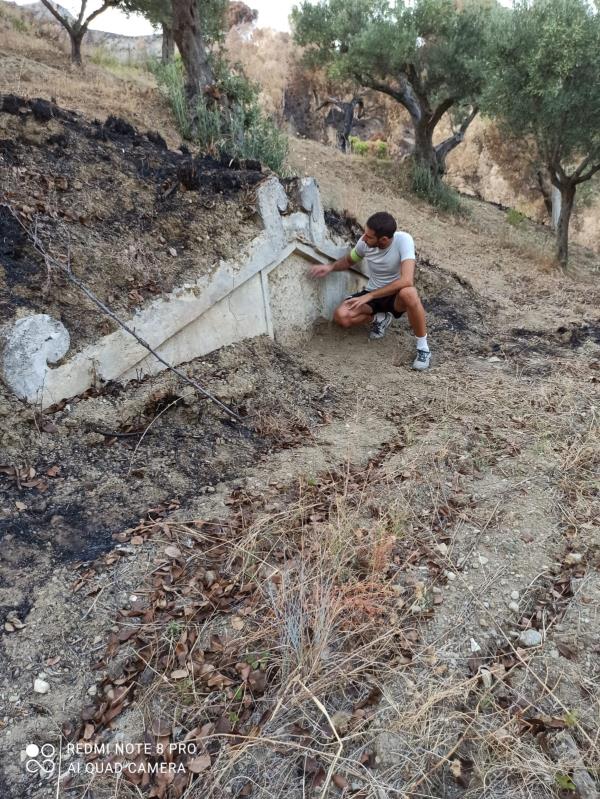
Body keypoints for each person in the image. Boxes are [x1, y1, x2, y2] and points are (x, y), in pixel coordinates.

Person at [310, 211, 431, 370]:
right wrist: (330, 267)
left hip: (395, 297)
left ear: (384, 240)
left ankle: (423, 348)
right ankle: (379, 319)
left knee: (409, 293)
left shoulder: (404, 240)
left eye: (369, 236)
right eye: (364, 234)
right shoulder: (364, 243)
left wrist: (370, 296)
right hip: (373, 293)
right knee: (342, 316)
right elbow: (349, 260)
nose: (363, 238)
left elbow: (407, 280)